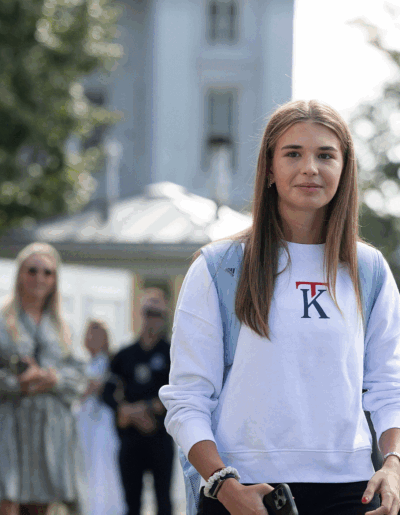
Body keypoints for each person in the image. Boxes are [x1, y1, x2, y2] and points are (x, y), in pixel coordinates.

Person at [159, 99, 400, 515]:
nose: (310, 168)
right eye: (293, 154)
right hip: (245, 489)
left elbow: (389, 386)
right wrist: (223, 484)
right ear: (269, 169)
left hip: (351, 490)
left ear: (345, 169)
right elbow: (187, 398)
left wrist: (393, 464)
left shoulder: (368, 269)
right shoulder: (220, 267)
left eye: (325, 155)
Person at [0, 242, 88, 515]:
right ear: (20, 274)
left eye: (47, 272)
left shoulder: (64, 326)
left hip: (50, 432)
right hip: (5, 428)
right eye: (32, 270)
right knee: (4, 503)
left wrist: (52, 378)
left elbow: (80, 375)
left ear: (55, 279)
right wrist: (18, 383)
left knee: (40, 507)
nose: (39, 278)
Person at [102, 289, 173, 515]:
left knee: (163, 501)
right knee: (131, 502)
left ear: (165, 317)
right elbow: (107, 390)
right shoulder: (125, 354)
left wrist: (147, 409)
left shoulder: (172, 354)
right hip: (130, 438)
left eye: (158, 314)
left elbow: (177, 394)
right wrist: (125, 411)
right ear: (139, 313)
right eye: (148, 312)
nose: (152, 319)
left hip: (159, 435)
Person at [76, 318, 125, 515]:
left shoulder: (112, 363)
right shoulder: (83, 364)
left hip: (103, 424)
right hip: (85, 423)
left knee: (103, 469)